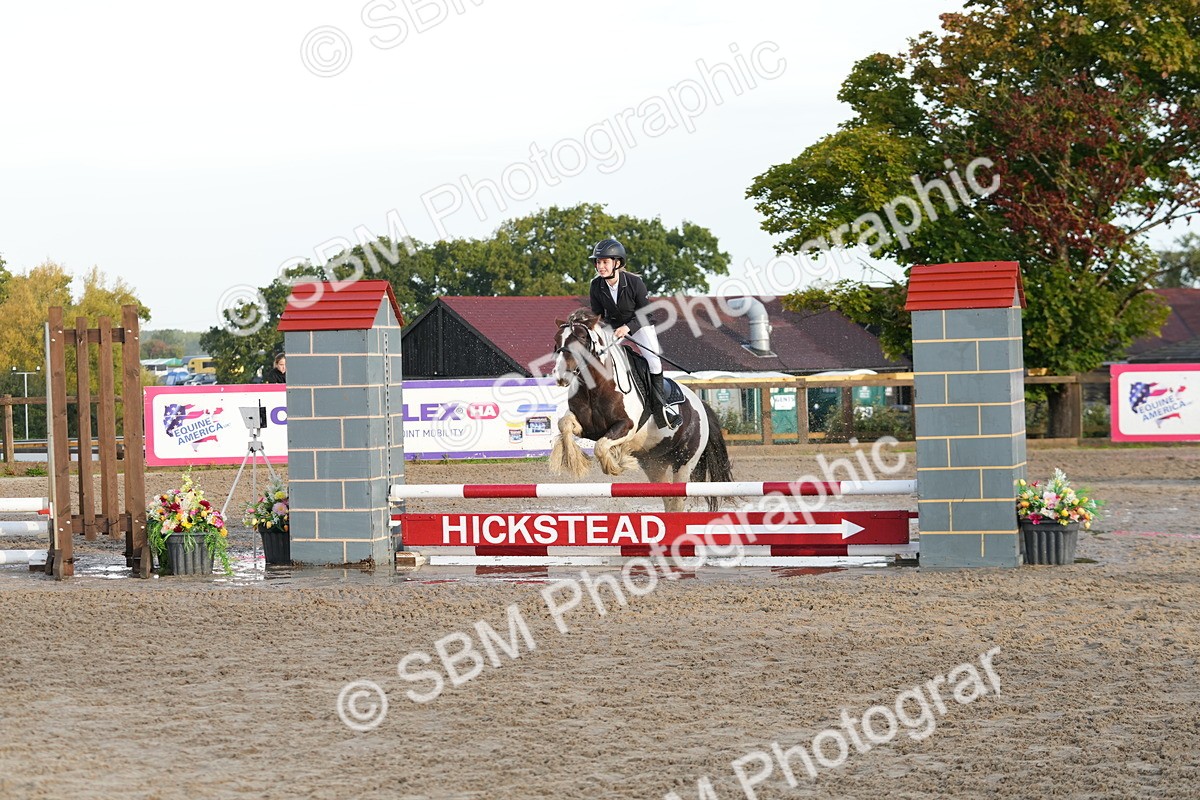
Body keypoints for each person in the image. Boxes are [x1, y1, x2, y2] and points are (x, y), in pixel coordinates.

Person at [588, 238, 679, 429]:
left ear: (617, 263)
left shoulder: (634, 283)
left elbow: (646, 313)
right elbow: (597, 316)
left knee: (654, 362)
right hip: (613, 328)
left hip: (639, 325)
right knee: (597, 356)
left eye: (604, 262)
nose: (600, 266)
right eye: (598, 262)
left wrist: (628, 328)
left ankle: (660, 407)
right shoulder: (596, 286)